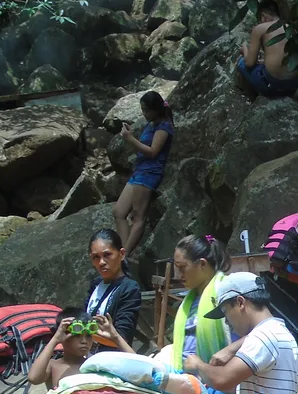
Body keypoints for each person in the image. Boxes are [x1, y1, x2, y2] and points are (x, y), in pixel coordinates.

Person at [114, 92, 174, 252]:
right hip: (139, 171)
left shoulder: (164, 127)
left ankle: (123, 257)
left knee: (138, 216)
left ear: (156, 110)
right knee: (119, 212)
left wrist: (130, 139)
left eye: (147, 110)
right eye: (142, 110)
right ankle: (123, 252)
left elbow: (153, 151)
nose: (144, 114)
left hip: (150, 173)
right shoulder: (152, 124)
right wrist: (131, 136)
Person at [169, 234, 235, 374]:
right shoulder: (189, 301)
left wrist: (230, 350)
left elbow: (258, 331)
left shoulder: (227, 294)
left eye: (182, 267)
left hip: (217, 380)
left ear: (202, 264)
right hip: (185, 379)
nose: (178, 275)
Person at [84, 229, 142, 349]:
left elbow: (123, 337)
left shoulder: (129, 288)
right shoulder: (95, 284)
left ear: (121, 254)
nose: (101, 262)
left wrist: (81, 329)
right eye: (95, 257)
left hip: (113, 361)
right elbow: (83, 316)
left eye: (107, 255)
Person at [236, 0, 298, 100]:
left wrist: (244, 48)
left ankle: (250, 99)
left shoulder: (260, 28)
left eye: (260, 19)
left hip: (273, 86)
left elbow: (249, 63)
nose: (260, 21)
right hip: (293, 85)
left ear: (264, 15)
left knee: (241, 62)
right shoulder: (291, 27)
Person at [28, 310, 96, 389]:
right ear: (62, 336)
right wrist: (55, 340)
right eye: (77, 335)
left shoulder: (94, 365)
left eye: (88, 336)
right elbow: (34, 378)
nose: (84, 341)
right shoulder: (53, 365)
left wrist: (114, 337)